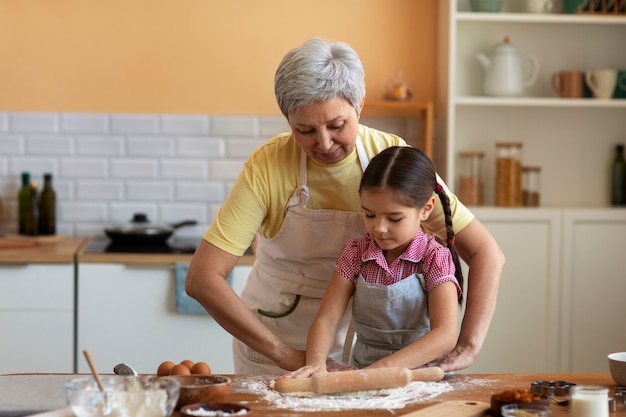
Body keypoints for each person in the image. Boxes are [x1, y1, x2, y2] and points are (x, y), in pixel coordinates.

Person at [185, 37, 505, 375]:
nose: (323, 144)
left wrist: (467, 346)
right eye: (304, 130)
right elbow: (202, 278)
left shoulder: (389, 159)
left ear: (360, 104)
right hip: (279, 347)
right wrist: (287, 354)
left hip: (374, 350)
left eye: (337, 126)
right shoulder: (267, 167)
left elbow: (486, 252)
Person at [292, 146, 464, 375]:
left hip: (419, 375)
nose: (380, 228)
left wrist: (380, 370)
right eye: (370, 215)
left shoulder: (434, 257)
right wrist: (315, 362)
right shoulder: (355, 253)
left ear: (426, 209)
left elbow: (444, 336)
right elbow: (326, 319)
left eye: (394, 218)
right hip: (363, 367)